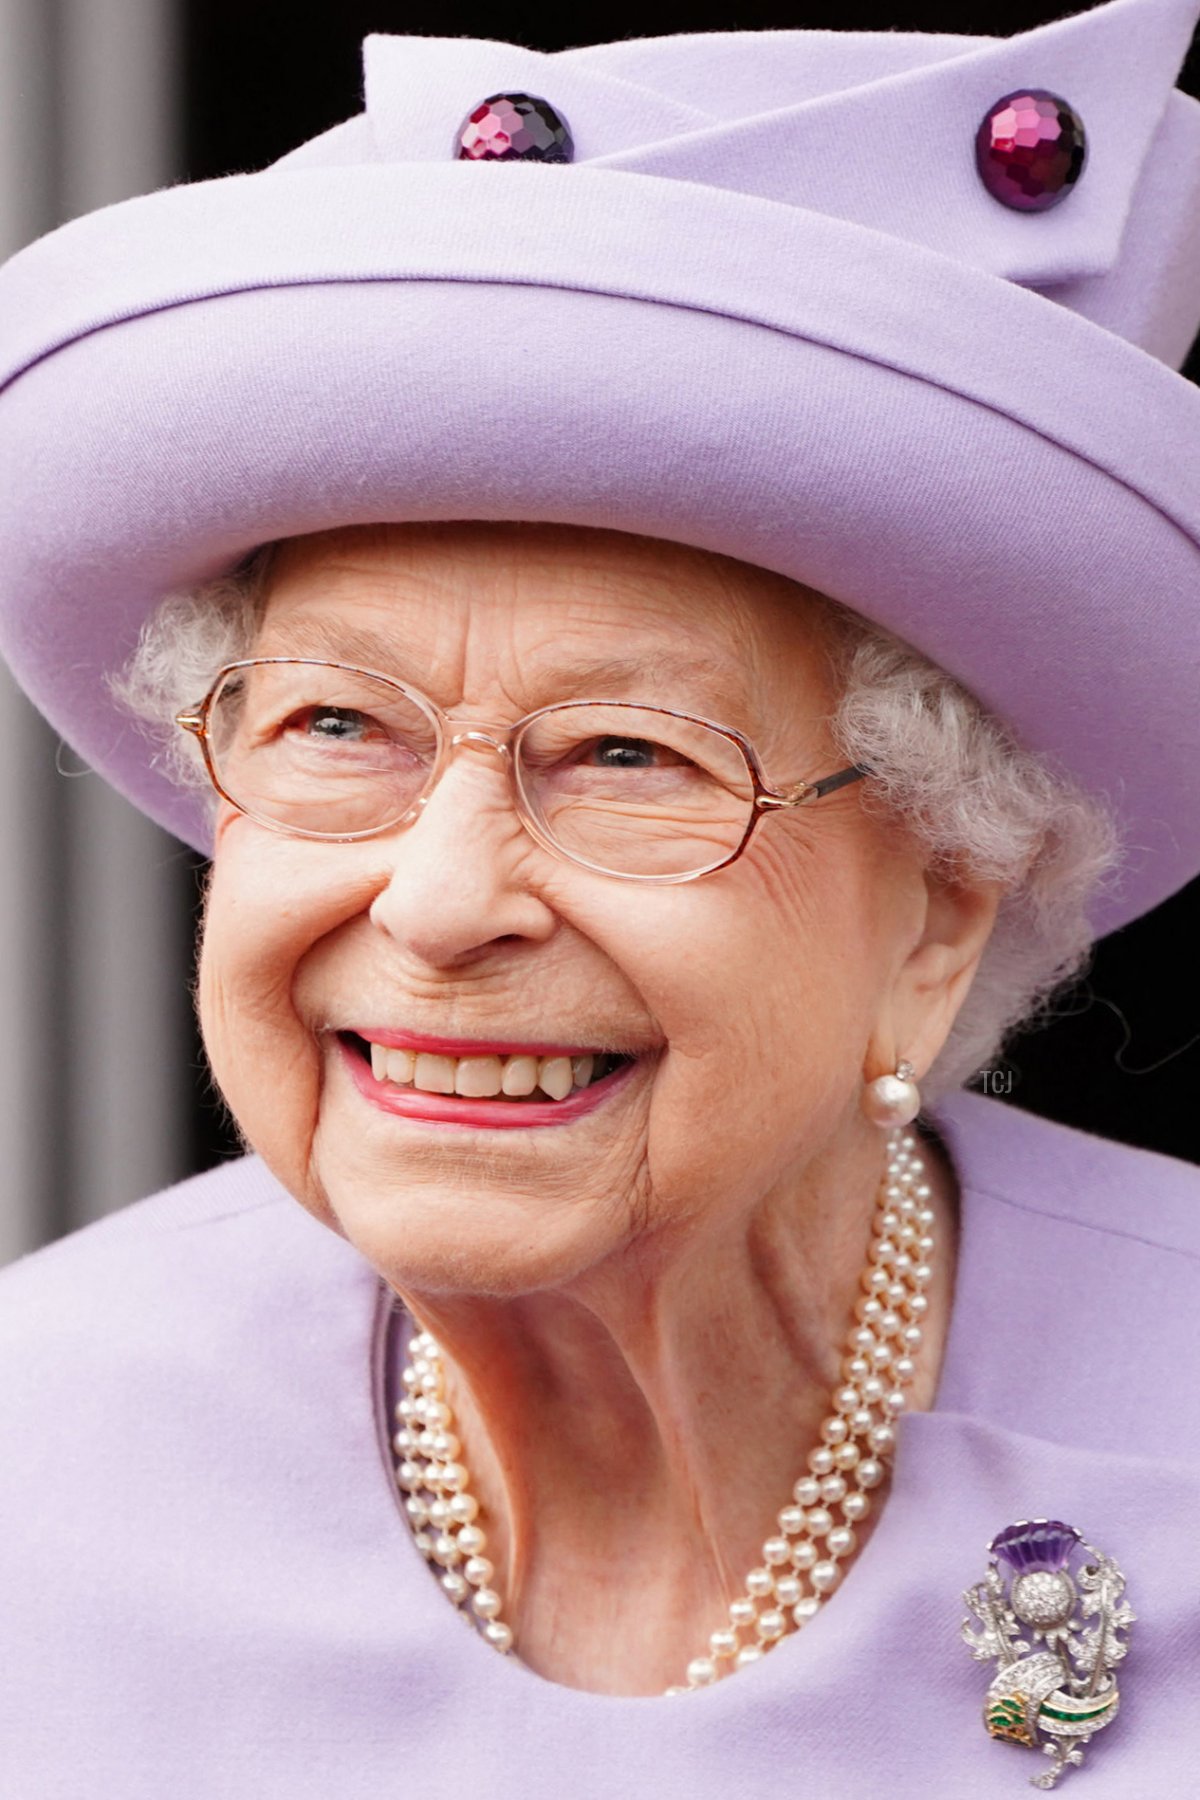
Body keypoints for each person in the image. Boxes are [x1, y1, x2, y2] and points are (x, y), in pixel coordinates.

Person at [0, 2, 1197, 1795]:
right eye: (337, 725)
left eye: (632, 758)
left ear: (944, 905)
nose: (442, 899)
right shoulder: (42, 1448)